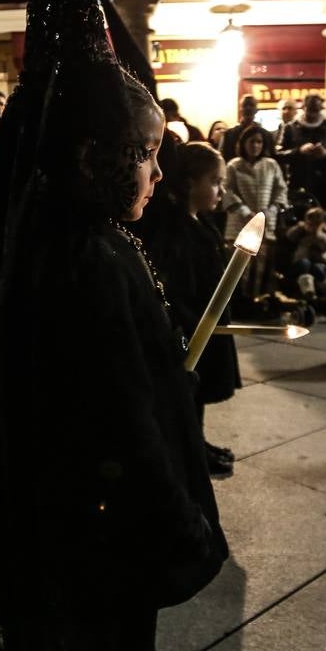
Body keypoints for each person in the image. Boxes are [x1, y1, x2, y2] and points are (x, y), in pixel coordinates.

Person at [0, 0, 257, 651]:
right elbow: (117, 405)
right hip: (113, 494)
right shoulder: (84, 255)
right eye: (143, 157)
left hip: (96, 490)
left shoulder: (82, 230)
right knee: (127, 629)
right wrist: (171, 502)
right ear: (95, 159)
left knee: (121, 634)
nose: (152, 175)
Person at [139, 138, 242, 479]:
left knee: (196, 390)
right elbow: (174, 284)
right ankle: (189, 448)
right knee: (188, 390)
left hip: (207, 322)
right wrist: (191, 321)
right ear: (188, 183)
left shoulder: (201, 224)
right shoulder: (175, 232)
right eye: (215, 182)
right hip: (193, 324)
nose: (220, 190)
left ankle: (196, 441)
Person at [222, 124, 287, 298]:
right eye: (251, 142)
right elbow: (227, 190)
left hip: (265, 222)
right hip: (239, 222)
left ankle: (257, 300)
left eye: (259, 142)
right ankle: (237, 301)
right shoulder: (234, 165)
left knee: (261, 266)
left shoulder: (271, 165)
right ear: (243, 143)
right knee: (238, 267)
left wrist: (270, 211)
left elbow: (281, 190)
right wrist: (245, 211)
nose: (255, 146)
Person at [279, 94, 326, 210]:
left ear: (321, 109)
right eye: (310, 109)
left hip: (323, 185)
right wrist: (299, 151)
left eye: (316, 109)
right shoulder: (290, 128)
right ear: (304, 108)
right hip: (297, 182)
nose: (313, 113)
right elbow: (279, 155)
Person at [285, 207, 326, 298]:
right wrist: (300, 227)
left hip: (321, 261)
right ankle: (309, 292)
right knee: (305, 263)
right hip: (302, 261)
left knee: (318, 267)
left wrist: (318, 233)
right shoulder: (302, 230)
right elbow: (289, 236)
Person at [220, 94, 275, 164]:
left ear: (256, 110)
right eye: (245, 105)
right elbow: (225, 158)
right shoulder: (229, 134)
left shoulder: (267, 135)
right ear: (240, 109)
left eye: (251, 105)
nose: (248, 108)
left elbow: (272, 157)